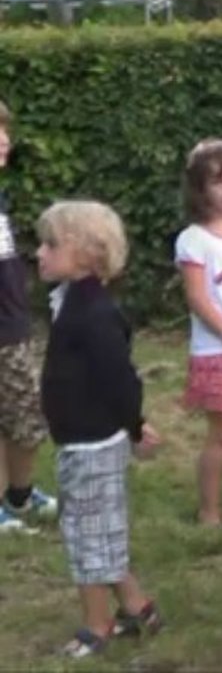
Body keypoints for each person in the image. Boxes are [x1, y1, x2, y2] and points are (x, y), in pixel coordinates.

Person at [35, 200, 163, 658]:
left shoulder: (94, 314)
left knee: (87, 537)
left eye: (51, 245)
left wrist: (135, 425)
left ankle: (97, 624)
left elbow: (119, 378)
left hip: (93, 444)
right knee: (97, 528)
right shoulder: (72, 301)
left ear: (87, 253)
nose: (39, 253)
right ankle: (138, 607)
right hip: (78, 441)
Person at [176, 139, 222, 527]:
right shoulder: (194, 239)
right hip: (216, 350)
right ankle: (209, 509)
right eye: (218, 181)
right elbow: (198, 298)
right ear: (200, 189)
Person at [0, 100, 58, 532]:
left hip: (13, 325)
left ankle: (18, 495)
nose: (5, 140)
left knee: (24, 415)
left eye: (5, 130)